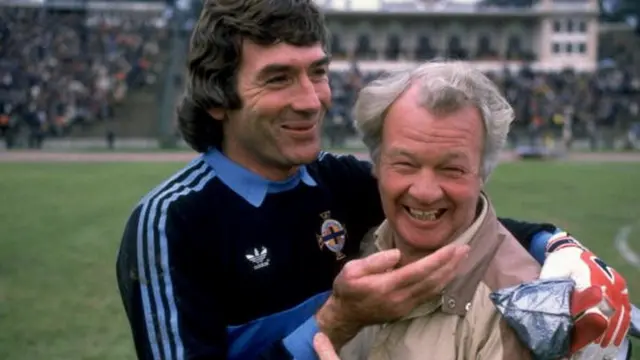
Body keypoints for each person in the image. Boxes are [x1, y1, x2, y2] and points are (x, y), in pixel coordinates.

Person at [114, 1, 632, 359]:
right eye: (278, 78)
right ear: (217, 95)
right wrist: (336, 319)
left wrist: (556, 245)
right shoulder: (174, 222)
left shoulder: (337, 183)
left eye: (317, 71)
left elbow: (458, 212)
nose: (310, 98)